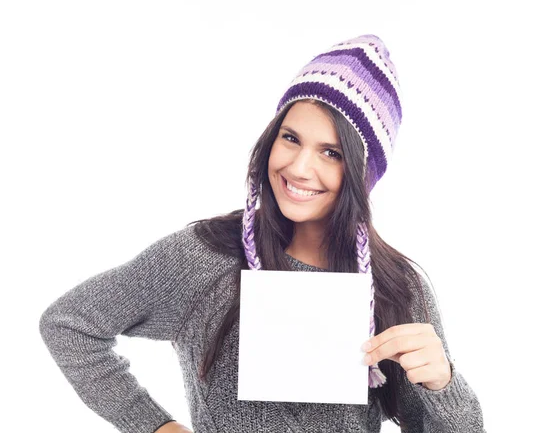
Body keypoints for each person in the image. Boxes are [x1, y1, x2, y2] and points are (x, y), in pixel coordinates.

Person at [39, 34, 486, 432]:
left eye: (330, 152)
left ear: (362, 174)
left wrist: (443, 382)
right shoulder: (206, 258)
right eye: (291, 138)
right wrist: (157, 427)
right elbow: (70, 325)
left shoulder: (397, 287)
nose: (299, 167)